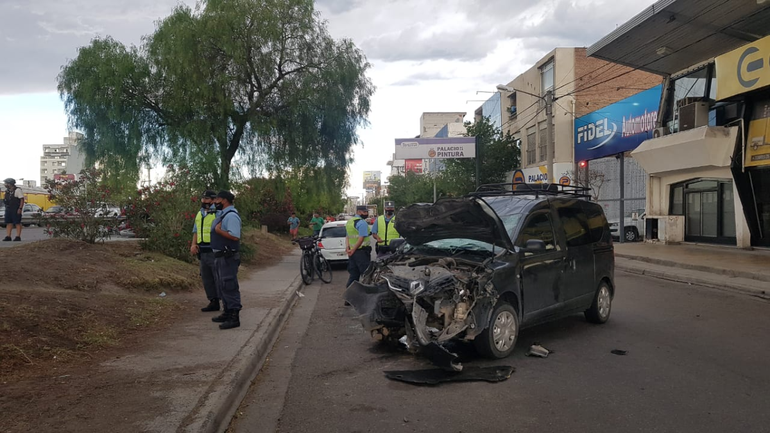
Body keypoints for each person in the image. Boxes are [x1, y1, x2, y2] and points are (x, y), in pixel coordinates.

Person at [210, 190, 242, 330]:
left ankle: (234, 316)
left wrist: (219, 231)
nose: (214, 203)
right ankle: (227, 312)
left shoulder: (231, 216)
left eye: (216, 199)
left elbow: (235, 236)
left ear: (224, 200)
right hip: (220, 256)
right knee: (222, 286)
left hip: (227, 257)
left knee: (229, 285)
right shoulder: (222, 214)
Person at [190, 190, 220, 312]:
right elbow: (196, 230)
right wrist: (193, 244)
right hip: (202, 250)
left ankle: (226, 301)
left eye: (206, 199)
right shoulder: (200, 213)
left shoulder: (218, 212)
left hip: (214, 249)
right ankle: (213, 301)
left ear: (213, 200)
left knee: (218, 277)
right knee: (206, 277)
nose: (204, 201)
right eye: (202, 198)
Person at [345, 205, 372, 289]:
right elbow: (361, 239)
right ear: (359, 212)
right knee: (366, 274)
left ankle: (348, 298)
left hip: (353, 253)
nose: (366, 213)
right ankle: (365, 296)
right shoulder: (362, 223)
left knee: (354, 275)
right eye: (364, 212)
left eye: (367, 212)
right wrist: (352, 250)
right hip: (361, 252)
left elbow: (347, 237)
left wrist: (348, 249)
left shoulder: (350, 222)